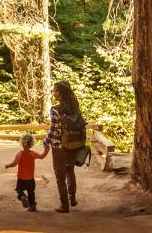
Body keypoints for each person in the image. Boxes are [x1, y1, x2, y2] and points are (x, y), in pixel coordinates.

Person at [44, 81, 84, 213]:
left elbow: (54, 130)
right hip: (73, 144)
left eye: (55, 90)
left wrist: (46, 142)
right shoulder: (75, 107)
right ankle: (72, 199)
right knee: (70, 171)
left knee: (60, 176)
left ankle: (64, 205)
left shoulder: (55, 110)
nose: (53, 93)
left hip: (59, 146)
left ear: (60, 93)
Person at [4, 134, 49, 212]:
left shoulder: (19, 154)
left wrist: (8, 165)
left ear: (21, 143)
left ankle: (22, 197)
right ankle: (32, 206)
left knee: (19, 190)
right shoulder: (33, 153)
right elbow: (42, 156)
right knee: (31, 192)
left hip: (21, 178)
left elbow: (14, 163)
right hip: (30, 179)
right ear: (31, 144)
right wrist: (46, 150)